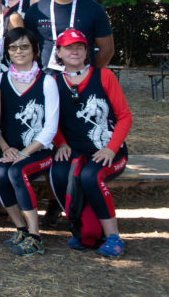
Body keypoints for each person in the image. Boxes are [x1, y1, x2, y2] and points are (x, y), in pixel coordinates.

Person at [48, 28, 132, 258]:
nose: (74, 52)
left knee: (90, 177)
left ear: (87, 52)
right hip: (75, 150)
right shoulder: (53, 82)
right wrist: (61, 143)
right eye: (68, 48)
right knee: (58, 174)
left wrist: (111, 148)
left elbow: (125, 117)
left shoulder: (104, 76)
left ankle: (113, 236)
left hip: (107, 150)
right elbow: (51, 120)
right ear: (59, 52)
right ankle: (83, 229)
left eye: (79, 47)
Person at [0, 27, 58, 256]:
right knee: (0, 174)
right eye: (13, 47)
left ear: (35, 50)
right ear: (7, 52)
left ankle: (35, 235)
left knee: (16, 172)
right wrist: (5, 148)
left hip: (39, 151)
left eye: (24, 47)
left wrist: (23, 153)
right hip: (9, 149)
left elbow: (50, 128)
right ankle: (21, 228)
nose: (18, 51)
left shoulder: (47, 82)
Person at [24, 0, 114, 71]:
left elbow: (107, 50)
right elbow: (28, 48)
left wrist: (92, 75)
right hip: (46, 78)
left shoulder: (94, 9)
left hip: (82, 79)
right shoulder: (36, 10)